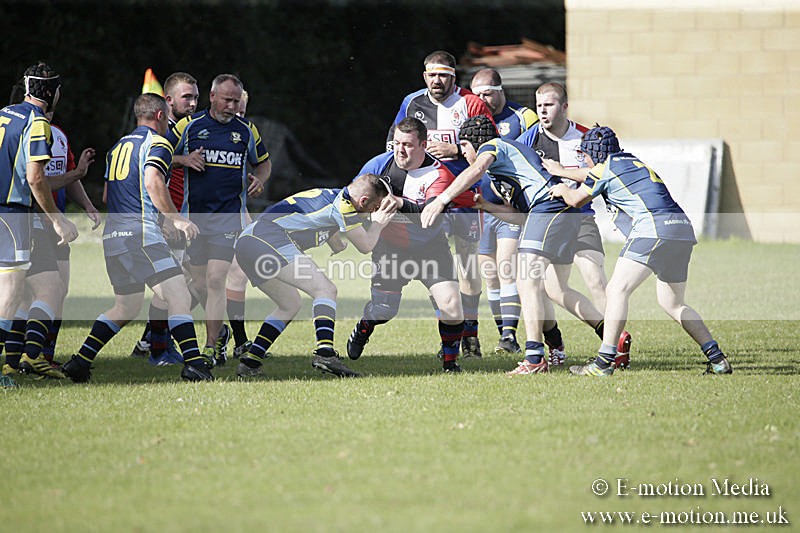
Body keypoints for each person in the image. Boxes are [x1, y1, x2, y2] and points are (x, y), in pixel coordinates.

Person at [420, 115, 606, 376]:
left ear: (475, 142)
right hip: (557, 211)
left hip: (549, 206)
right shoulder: (501, 174)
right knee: (553, 289)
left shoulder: (493, 146)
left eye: (464, 146)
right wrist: (485, 206)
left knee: (525, 280)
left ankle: (533, 358)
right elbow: (518, 216)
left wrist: (442, 199)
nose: (463, 153)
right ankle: (612, 340)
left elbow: (475, 169)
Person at [544, 125, 732, 376]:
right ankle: (717, 358)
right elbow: (593, 173)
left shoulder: (604, 167)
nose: (584, 159)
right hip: (681, 229)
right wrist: (560, 170)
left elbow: (577, 199)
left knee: (616, 289)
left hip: (653, 228)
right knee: (672, 302)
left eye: (585, 154)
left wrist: (562, 188)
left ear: (594, 152)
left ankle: (603, 362)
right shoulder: (629, 161)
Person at [61, 93, 214, 383]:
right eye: (168, 118)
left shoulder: (118, 147)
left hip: (114, 237)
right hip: (141, 235)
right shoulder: (158, 143)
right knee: (179, 295)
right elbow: (153, 181)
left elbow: (109, 194)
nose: (170, 125)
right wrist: (175, 219)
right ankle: (194, 363)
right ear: (159, 116)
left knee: (126, 306)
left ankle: (80, 362)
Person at [235, 173, 396, 378]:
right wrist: (379, 223)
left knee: (289, 304)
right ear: (363, 201)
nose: (374, 213)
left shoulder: (335, 197)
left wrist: (336, 243)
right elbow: (365, 245)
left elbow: (327, 227)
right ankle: (325, 354)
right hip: (268, 239)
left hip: (248, 242)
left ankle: (250, 361)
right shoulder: (345, 205)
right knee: (326, 289)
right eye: (374, 208)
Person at [347, 117, 476, 373]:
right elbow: (350, 198)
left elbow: (426, 218)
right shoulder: (378, 165)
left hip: (431, 248)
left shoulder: (439, 174)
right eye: (396, 143)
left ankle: (451, 365)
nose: (399, 150)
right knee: (384, 310)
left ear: (423, 145)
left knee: (452, 306)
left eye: (407, 144)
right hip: (390, 248)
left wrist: (399, 202)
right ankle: (364, 326)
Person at [387, 51, 495, 358]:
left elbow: (490, 149)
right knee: (435, 267)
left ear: (454, 76)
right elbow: (392, 143)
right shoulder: (411, 103)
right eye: (432, 75)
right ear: (424, 77)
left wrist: (456, 149)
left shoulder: (472, 104)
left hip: (462, 196)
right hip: (422, 198)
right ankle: (450, 337)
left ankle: (470, 335)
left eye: (444, 75)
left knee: (467, 264)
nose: (438, 80)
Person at [517, 82, 631, 368]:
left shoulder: (586, 137)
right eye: (539, 105)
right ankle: (610, 334)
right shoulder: (528, 141)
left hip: (581, 218)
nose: (543, 110)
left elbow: (608, 173)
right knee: (554, 290)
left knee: (594, 277)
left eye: (550, 104)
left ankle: (616, 344)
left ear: (565, 107)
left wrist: (565, 173)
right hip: (550, 221)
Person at [168, 74, 270, 366]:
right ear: (212, 97)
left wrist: (259, 179)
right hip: (195, 220)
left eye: (236, 101)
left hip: (229, 220)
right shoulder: (190, 127)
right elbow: (159, 155)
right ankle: (221, 331)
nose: (232, 107)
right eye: (227, 100)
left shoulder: (246, 130)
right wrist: (183, 160)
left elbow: (264, 162)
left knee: (215, 280)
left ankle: (210, 347)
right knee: (199, 284)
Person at [0, 62, 78, 386]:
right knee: (10, 292)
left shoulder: (4, 113)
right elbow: (35, 178)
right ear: (51, 92)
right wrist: (57, 221)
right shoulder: (38, 123)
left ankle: (28, 357)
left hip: (14, 216)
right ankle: (4, 368)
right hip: (12, 214)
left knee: (48, 285)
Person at [130, 71, 204, 366]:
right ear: (169, 101)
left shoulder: (186, 127)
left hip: (179, 215)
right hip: (165, 218)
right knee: (176, 285)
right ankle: (157, 345)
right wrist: (168, 219)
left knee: (188, 284)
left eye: (196, 97)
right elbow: (150, 166)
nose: (193, 103)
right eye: (187, 97)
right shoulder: (163, 133)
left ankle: (153, 338)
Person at [469, 68, 538, 354]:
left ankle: (509, 336)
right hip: (481, 208)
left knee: (506, 266)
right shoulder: (472, 118)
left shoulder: (523, 117)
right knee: (490, 275)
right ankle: (503, 335)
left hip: (511, 208)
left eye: (487, 93)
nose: (482, 99)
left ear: (500, 90)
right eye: (477, 94)